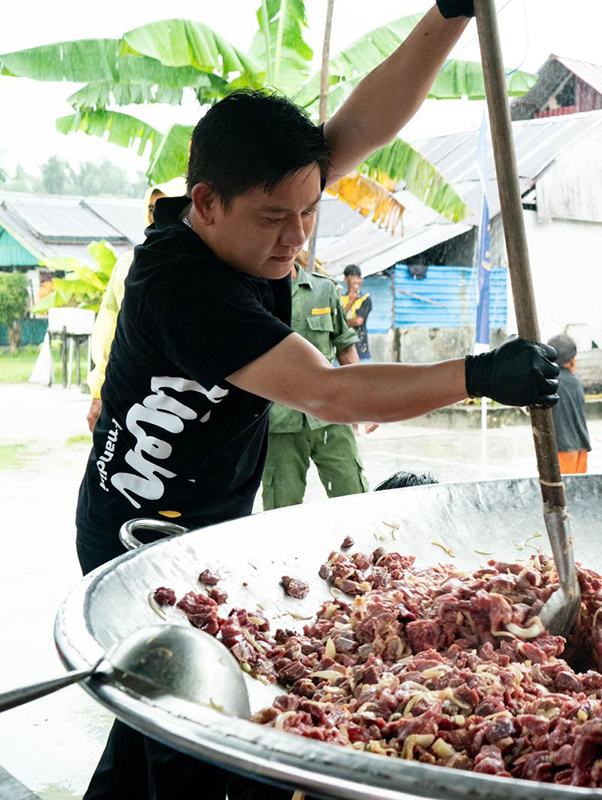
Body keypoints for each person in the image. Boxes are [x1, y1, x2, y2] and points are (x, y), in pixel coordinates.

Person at [74, 5, 557, 799]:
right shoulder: (184, 287)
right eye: (275, 219)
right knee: (194, 733)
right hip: (138, 539)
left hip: (209, 526)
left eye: (309, 211)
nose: (296, 238)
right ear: (205, 203)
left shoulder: (248, 206)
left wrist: (449, 15)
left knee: (144, 721)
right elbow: (329, 392)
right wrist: (477, 376)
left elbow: (366, 118)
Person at [261, 260, 368, 510]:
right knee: (281, 509)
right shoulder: (250, 291)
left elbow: (344, 346)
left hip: (331, 415)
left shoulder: (324, 290)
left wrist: (364, 399)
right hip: (279, 423)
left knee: (354, 498)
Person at [86, 179, 187, 431]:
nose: (158, 215)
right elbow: (107, 330)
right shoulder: (127, 264)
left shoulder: (201, 269)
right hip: (129, 387)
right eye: (152, 208)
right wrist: (98, 392)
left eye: (167, 205)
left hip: (181, 400)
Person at [547, 333, 591, 474]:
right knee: (578, 489)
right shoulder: (575, 382)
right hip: (581, 445)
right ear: (572, 360)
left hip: (561, 447)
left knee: (561, 490)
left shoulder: (548, 383)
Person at [340, 264, 372, 361]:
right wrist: (350, 302)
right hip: (342, 352)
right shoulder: (340, 299)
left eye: (358, 277)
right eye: (353, 277)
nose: (356, 281)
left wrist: (342, 322)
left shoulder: (365, 299)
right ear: (346, 280)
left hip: (361, 352)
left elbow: (358, 321)